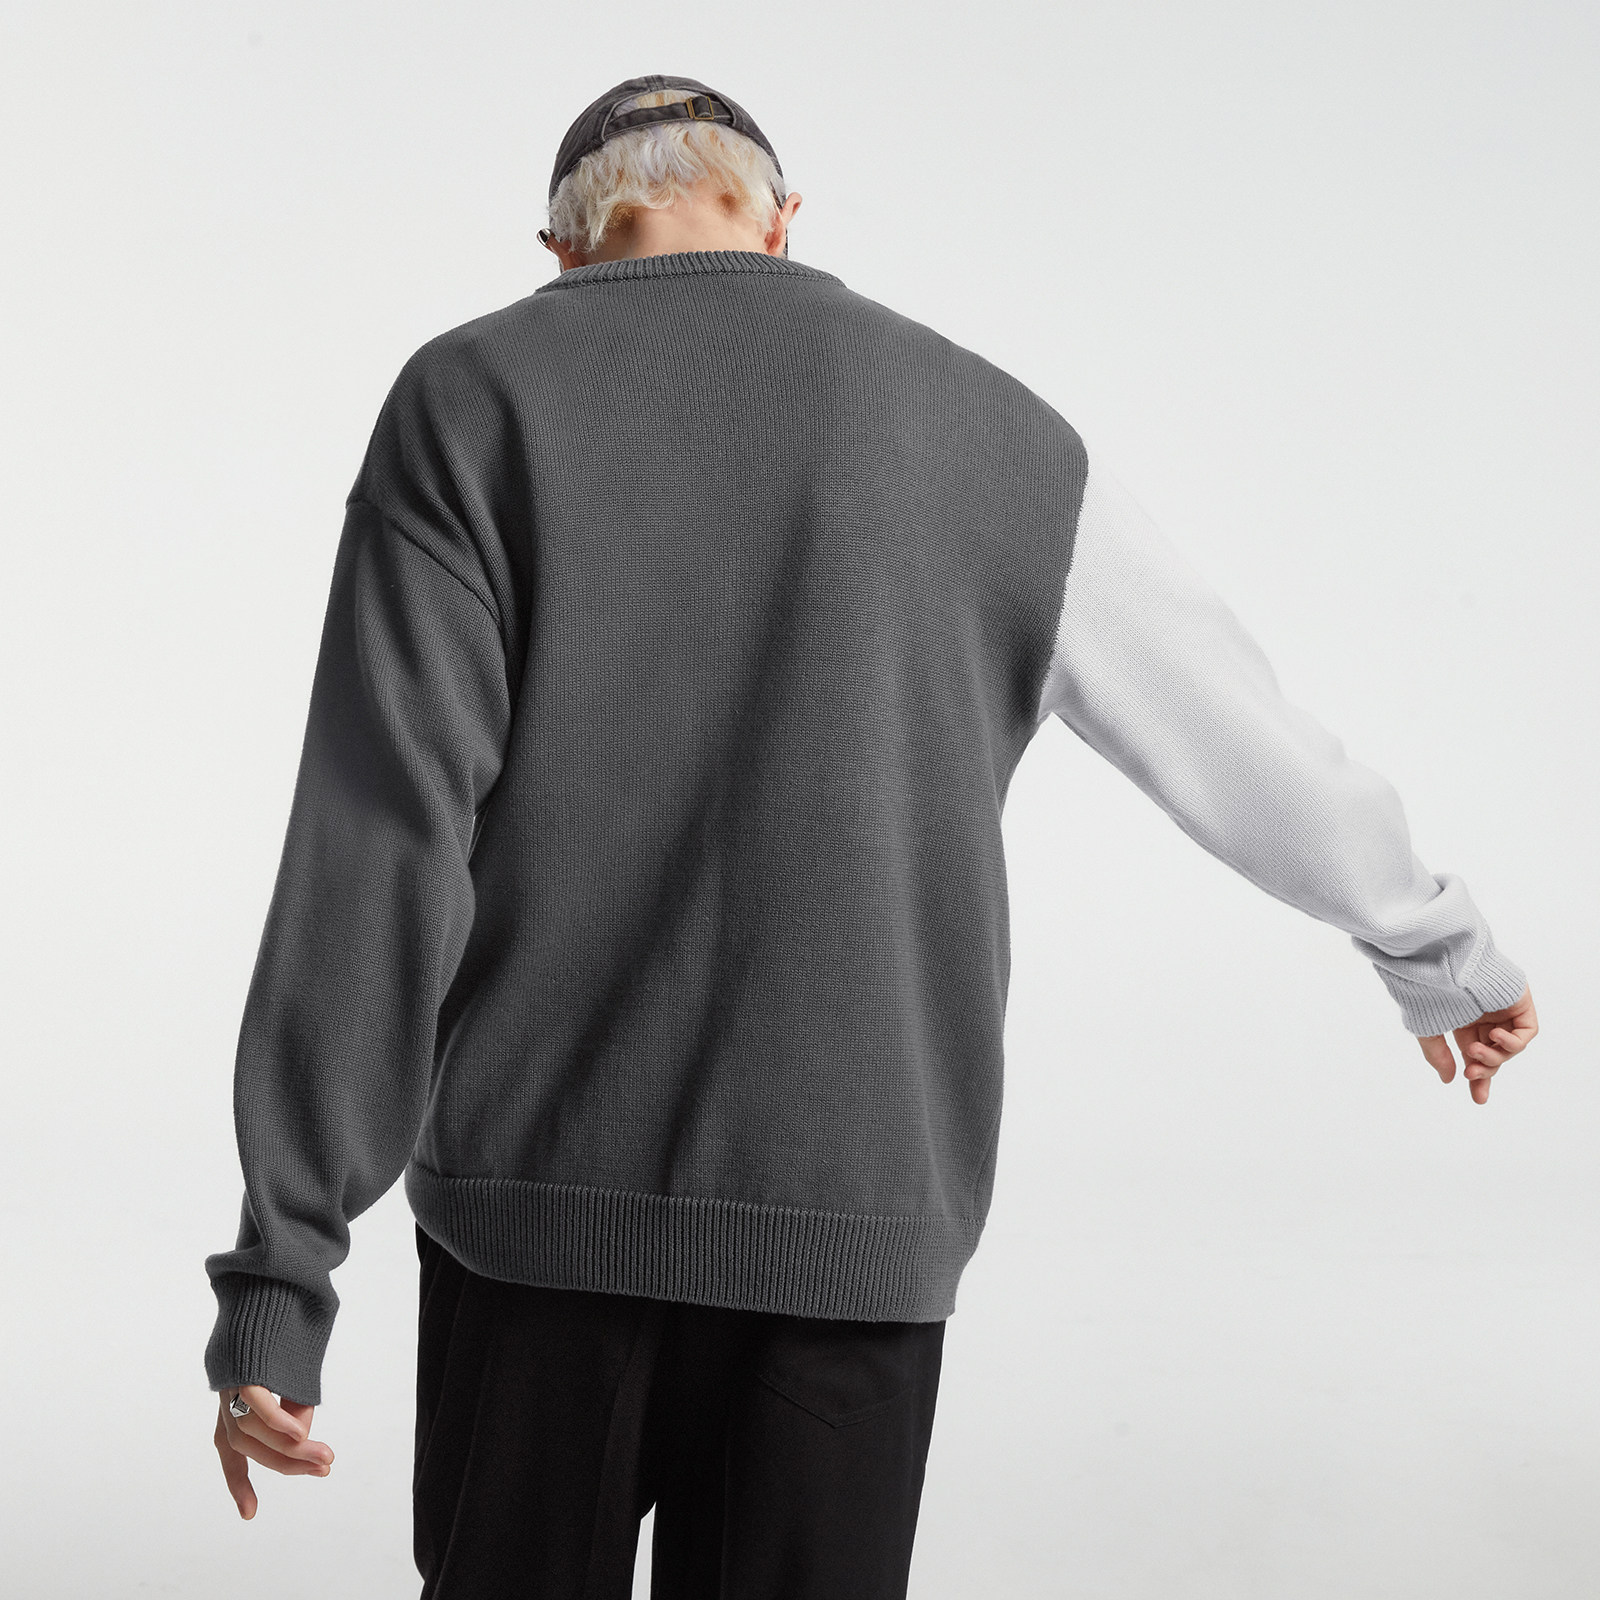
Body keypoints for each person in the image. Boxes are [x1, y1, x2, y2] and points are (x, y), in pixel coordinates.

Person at [204, 73, 1539, 1599]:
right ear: (783, 221)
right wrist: (1433, 945)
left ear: (560, 249)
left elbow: (375, 848)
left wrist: (282, 1275)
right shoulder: (990, 430)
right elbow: (1228, 727)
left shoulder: (469, 400)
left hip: (536, 1221)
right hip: (852, 1225)